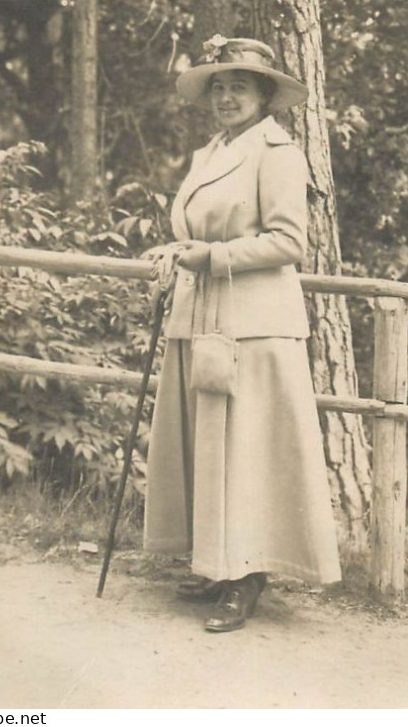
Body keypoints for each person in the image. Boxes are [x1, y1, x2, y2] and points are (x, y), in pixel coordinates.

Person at [144, 35, 341, 633]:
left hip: (254, 324)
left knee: (249, 448)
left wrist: (207, 255)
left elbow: (288, 243)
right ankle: (217, 563)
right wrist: (178, 253)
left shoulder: (278, 152)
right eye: (219, 87)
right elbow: (197, 230)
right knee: (210, 442)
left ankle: (248, 578)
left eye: (240, 86)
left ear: (265, 96)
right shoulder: (210, 152)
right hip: (204, 314)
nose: (227, 97)